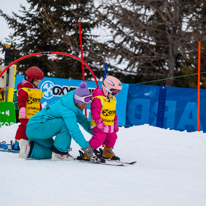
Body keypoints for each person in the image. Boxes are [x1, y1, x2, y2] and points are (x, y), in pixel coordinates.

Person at [19, 82, 99, 162]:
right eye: (83, 104)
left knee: (54, 150)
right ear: (76, 100)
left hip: (34, 130)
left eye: (86, 104)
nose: (85, 106)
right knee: (65, 124)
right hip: (37, 127)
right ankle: (61, 154)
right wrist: (88, 149)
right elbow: (74, 131)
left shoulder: (72, 106)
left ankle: (29, 149)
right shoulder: (67, 110)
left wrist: (101, 135)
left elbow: (85, 123)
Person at [83, 75, 122, 161]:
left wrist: (115, 122)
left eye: (118, 92)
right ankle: (87, 152)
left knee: (112, 137)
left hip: (109, 124)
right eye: (114, 92)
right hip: (98, 124)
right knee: (100, 137)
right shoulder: (98, 99)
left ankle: (107, 151)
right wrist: (98, 122)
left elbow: (113, 111)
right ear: (106, 89)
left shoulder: (113, 99)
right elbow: (95, 112)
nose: (115, 95)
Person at [13, 66, 44, 150]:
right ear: (30, 79)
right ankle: (17, 143)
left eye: (39, 81)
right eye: (37, 81)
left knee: (34, 129)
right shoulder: (24, 90)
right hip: (26, 115)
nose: (38, 83)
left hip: (34, 115)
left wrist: (41, 112)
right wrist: (22, 109)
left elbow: (38, 103)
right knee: (24, 128)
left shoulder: (37, 90)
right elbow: (21, 100)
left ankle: (29, 143)